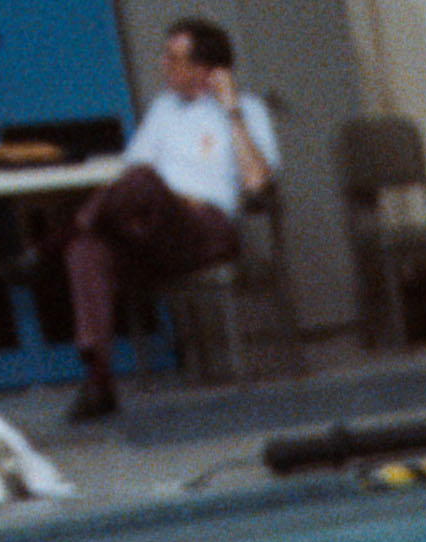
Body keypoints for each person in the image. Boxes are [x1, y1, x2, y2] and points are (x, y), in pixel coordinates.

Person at [63, 20, 279, 426]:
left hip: (206, 230)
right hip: (155, 228)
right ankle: (99, 381)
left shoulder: (248, 112)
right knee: (87, 250)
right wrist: (162, 197)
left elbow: (258, 184)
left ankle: (59, 235)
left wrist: (230, 110)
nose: (163, 65)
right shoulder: (164, 110)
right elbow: (129, 179)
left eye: (173, 58)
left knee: (144, 185)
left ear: (206, 70)